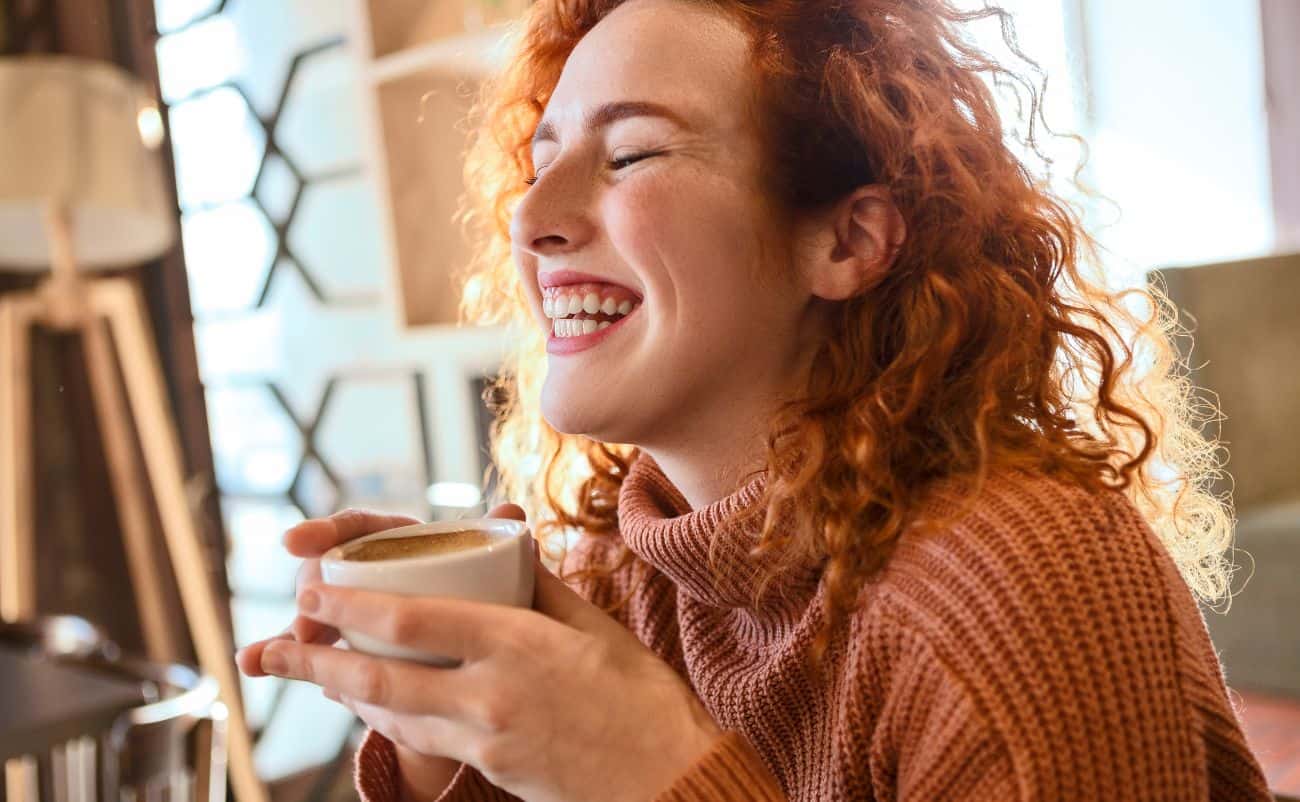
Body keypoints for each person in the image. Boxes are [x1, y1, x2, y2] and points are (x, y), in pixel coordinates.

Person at [236, 0, 1276, 799]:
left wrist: (657, 767)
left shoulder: (1026, 583)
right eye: (541, 160)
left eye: (630, 152)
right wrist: (449, 737)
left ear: (847, 240)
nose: (532, 220)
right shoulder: (620, 569)